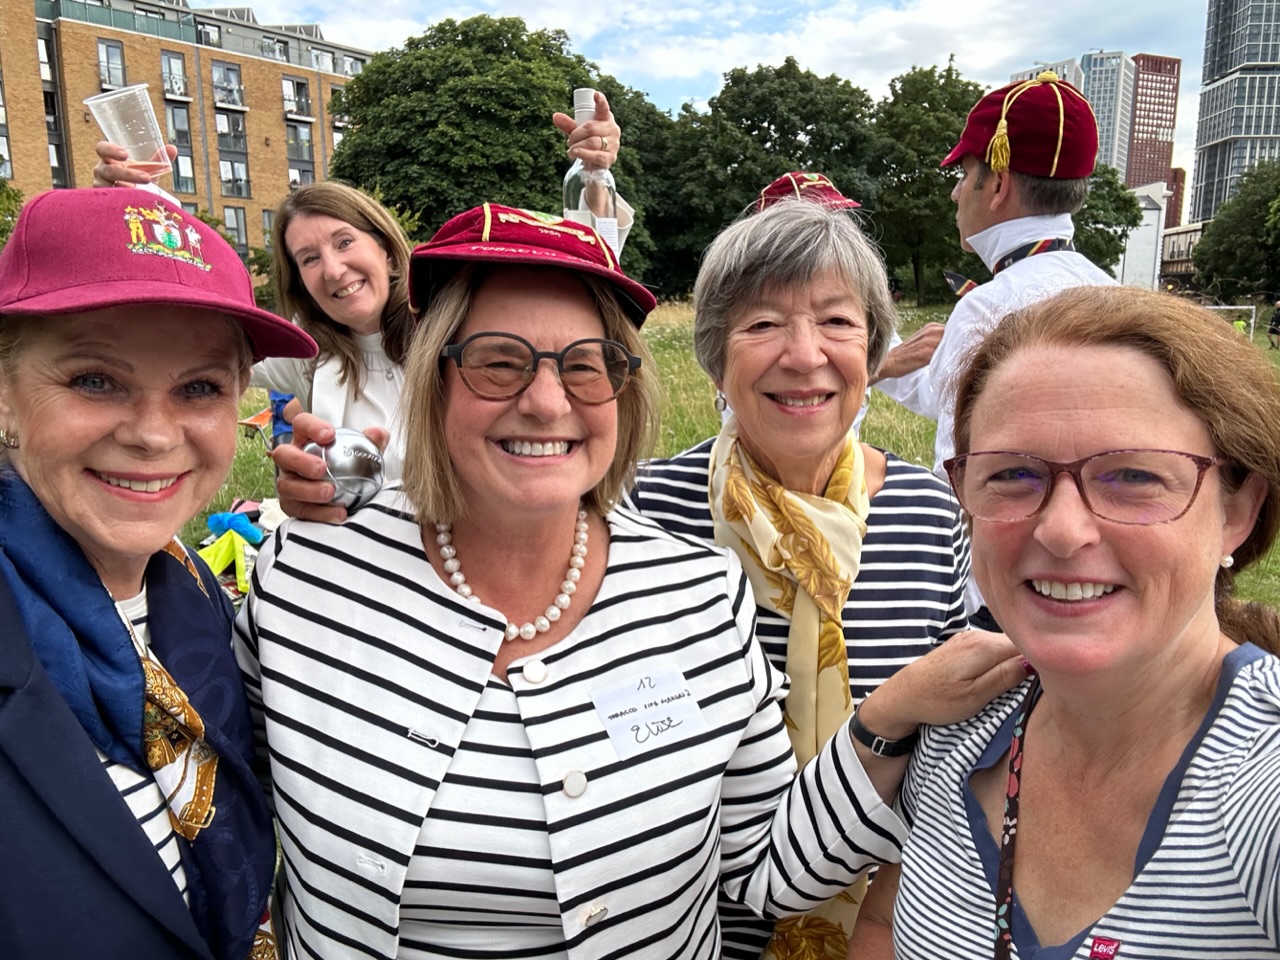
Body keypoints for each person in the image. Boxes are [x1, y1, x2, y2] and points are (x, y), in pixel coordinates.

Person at [231, 202, 1023, 959]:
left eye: (586, 365)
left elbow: (765, 864)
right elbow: (204, 814)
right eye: (498, 362)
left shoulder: (699, 593)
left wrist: (887, 717)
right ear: (433, 378)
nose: (547, 402)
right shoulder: (310, 579)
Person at [851, 285, 1280, 958]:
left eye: (1133, 476)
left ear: (1238, 511)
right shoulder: (959, 730)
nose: (1061, 529)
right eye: (1012, 474)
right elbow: (882, 923)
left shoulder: (1262, 783)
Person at [628, 198, 974, 958]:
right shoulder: (646, 510)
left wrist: (885, 922)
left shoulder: (929, 511)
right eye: (762, 324)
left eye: (836, 321)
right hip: (690, 929)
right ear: (715, 358)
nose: (804, 354)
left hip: (884, 925)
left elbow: (952, 747)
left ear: (872, 352)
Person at [0, 188, 317, 958]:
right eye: (94, 380)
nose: (152, 434)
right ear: (4, 395)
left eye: (199, 388)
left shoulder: (194, 593)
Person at [91, 92, 627, 508]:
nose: (333, 269)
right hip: (367, 572)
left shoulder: (456, 325)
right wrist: (131, 214)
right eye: (309, 259)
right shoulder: (305, 353)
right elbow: (186, 332)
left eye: (344, 242)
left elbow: (585, 273)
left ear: (387, 250)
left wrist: (595, 178)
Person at [910, 70, 1117, 630]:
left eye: (963, 174)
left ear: (997, 183)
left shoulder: (987, 307)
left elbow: (957, 480)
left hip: (1002, 600)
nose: (955, 193)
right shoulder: (1117, 294)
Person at [751, 171, 944, 434]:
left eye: (837, 218)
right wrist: (883, 366)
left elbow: (927, 395)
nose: (832, 232)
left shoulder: (857, 308)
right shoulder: (745, 306)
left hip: (846, 459)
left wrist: (966, 359)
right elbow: (765, 418)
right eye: (809, 226)